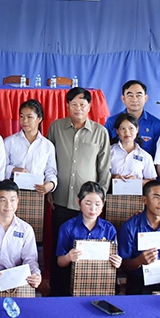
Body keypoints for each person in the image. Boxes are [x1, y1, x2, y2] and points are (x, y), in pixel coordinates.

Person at [48, 86, 111, 296]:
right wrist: (50, 189)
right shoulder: (56, 128)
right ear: (67, 105)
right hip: (62, 200)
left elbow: (104, 169)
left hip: (89, 206)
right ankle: (59, 293)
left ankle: (86, 294)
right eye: (73, 104)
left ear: (89, 106)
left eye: (82, 104)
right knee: (62, 250)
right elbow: (49, 162)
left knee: (87, 253)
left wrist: (98, 200)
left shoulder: (100, 132)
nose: (78, 108)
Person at [54, 181, 121, 296]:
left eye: (97, 204)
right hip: (73, 282)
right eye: (88, 203)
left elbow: (116, 258)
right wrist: (69, 257)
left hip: (101, 281)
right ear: (79, 202)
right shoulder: (67, 227)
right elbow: (60, 262)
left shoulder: (109, 229)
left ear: (103, 204)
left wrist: (118, 262)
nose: (93, 209)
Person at [4, 99, 57, 194]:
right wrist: (14, 169)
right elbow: (0, 167)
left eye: (29, 117)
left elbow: (51, 171)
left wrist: (51, 184)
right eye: (21, 116)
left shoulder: (47, 145)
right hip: (12, 191)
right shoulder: (9, 142)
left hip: (37, 191)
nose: (25, 121)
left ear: (39, 119)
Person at [104, 80, 160, 156]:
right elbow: (103, 150)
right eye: (130, 95)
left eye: (139, 95)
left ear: (145, 98)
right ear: (123, 99)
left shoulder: (156, 124)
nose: (134, 99)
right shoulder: (112, 121)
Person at [110, 113, 157, 183]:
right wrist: (113, 177)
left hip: (137, 193)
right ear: (117, 131)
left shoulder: (145, 156)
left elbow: (152, 181)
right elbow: (100, 175)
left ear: (137, 130)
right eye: (122, 129)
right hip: (111, 192)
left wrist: (137, 181)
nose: (127, 132)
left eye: (131, 128)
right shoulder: (109, 151)